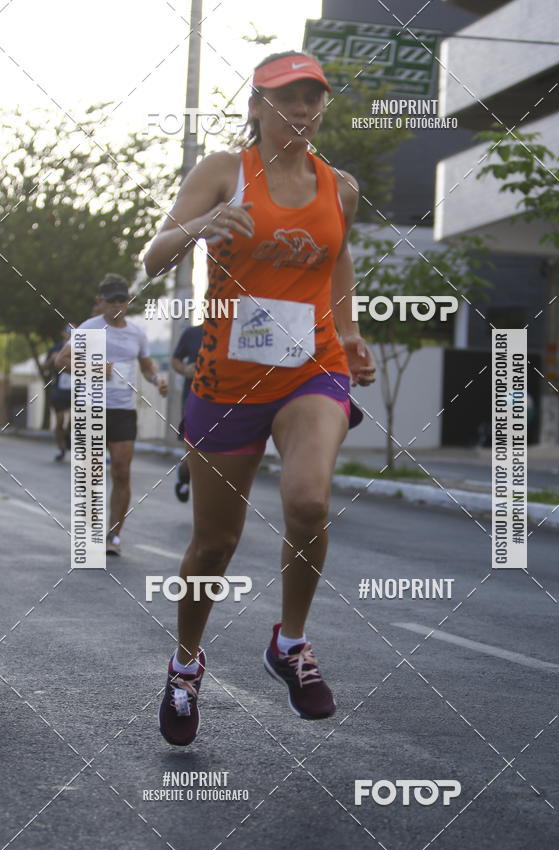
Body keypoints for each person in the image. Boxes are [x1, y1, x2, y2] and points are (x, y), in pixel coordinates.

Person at [144, 51, 376, 746]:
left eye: (311, 99)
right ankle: (186, 664)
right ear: (254, 106)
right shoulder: (223, 172)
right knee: (215, 543)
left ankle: (290, 642)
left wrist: (353, 332)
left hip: (313, 368)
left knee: (308, 500)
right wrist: (198, 229)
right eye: (284, 99)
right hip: (228, 377)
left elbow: (336, 259)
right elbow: (153, 256)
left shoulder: (342, 187)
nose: (299, 111)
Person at [56, 274, 168, 555]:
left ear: (128, 301)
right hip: (91, 408)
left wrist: (157, 380)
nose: (118, 304)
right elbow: (63, 361)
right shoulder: (89, 328)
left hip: (122, 410)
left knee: (121, 471)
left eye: (123, 299)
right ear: (101, 302)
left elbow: (146, 366)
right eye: (112, 300)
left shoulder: (137, 333)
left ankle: (113, 535)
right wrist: (95, 368)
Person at [170, 323, 204, 502]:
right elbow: (175, 359)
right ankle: (184, 475)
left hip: (226, 400)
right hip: (194, 398)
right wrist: (185, 369)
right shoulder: (192, 333)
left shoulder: (236, 332)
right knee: (195, 450)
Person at [44, 326, 72, 462]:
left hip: (78, 390)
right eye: (68, 330)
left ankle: (68, 436)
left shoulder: (83, 348)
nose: (70, 333)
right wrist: (52, 360)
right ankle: (60, 447)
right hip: (60, 390)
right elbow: (44, 367)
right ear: (62, 333)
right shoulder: (55, 349)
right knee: (60, 419)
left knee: (76, 420)